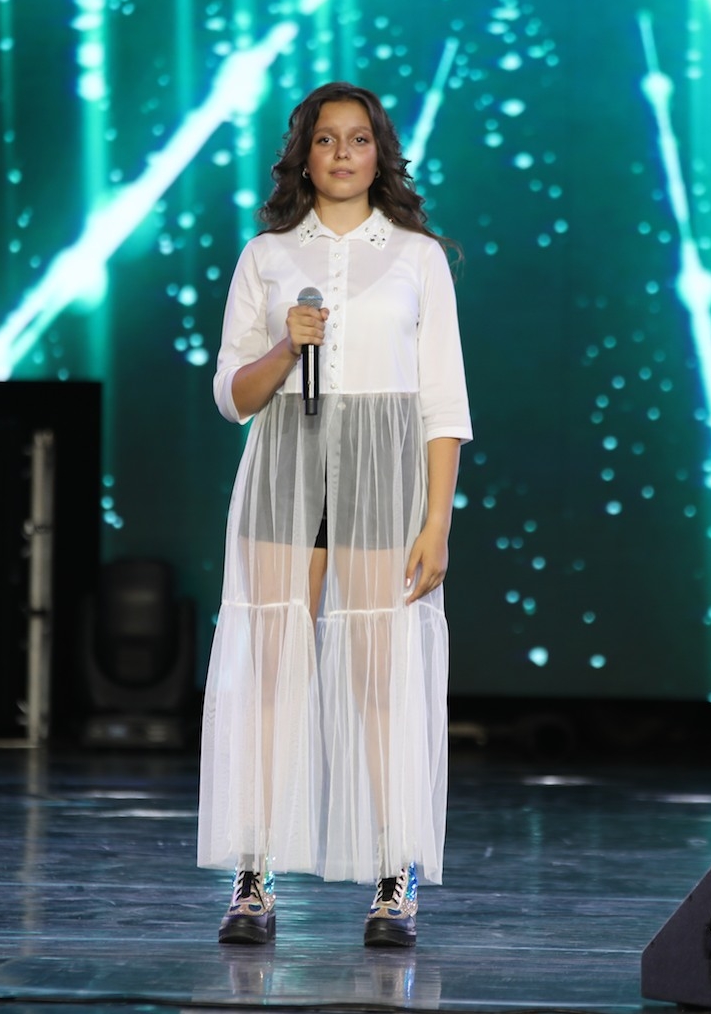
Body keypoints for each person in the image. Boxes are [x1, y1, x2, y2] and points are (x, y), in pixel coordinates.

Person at [198, 81, 472, 948]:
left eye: (358, 139)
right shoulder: (268, 255)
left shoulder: (419, 257)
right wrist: (289, 343)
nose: (343, 154)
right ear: (304, 155)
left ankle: (395, 874)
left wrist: (438, 522)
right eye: (326, 139)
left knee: (381, 677)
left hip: (383, 480)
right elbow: (232, 397)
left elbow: (443, 402)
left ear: (379, 153)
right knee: (271, 675)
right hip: (287, 469)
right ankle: (254, 874)